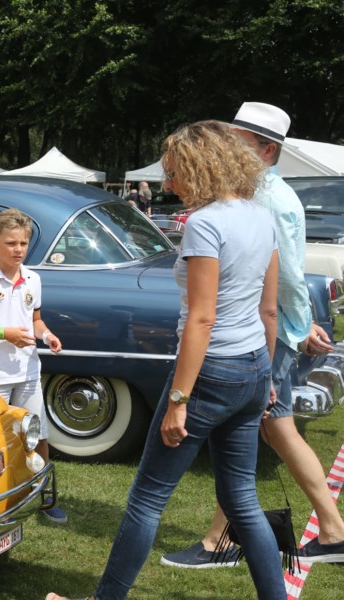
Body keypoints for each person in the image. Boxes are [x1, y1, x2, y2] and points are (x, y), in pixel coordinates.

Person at [47, 120, 285, 600]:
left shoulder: (206, 223)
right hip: (253, 365)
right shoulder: (262, 217)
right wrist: (266, 378)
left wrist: (178, 399)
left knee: (145, 500)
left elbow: (200, 319)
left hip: (212, 372)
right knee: (241, 500)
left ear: (203, 168)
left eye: (175, 173)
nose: (169, 184)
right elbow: (269, 309)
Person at [161, 102, 344, 569]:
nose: (226, 149)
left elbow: (281, 277)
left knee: (262, 426)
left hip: (264, 335)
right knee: (266, 428)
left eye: (238, 141)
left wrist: (299, 329)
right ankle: (327, 530)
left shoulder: (266, 199)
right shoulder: (270, 194)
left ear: (266, 149)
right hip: (268, 330)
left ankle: (226, 539)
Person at [0, 208, 67, 523]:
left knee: (38, 435)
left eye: (22, 243)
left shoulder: (34, 278)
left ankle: (44, 497)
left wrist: (47, 335)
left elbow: (35, 320)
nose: (17, 250)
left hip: (29, 371)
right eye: (10, 243)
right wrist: (5, 334)